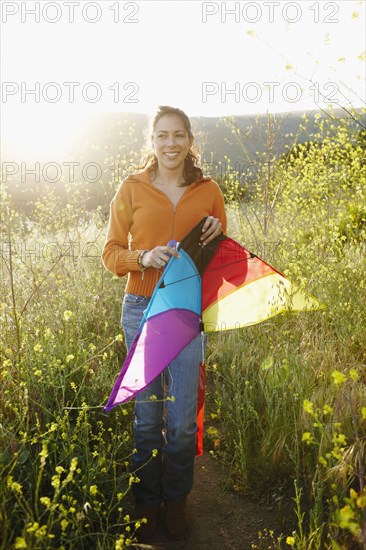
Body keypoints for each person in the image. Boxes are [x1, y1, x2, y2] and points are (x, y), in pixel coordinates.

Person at [101, 105, 227, 541]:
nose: (170, 143)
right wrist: (143, 258)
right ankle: (145, 501)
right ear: (151, 141)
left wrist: (215, 231)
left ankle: (176, 499)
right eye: (162, 136)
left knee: (181, 422)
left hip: (186, 312)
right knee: (147, 415)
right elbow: (110, 252)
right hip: (140, 307)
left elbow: (220, 255)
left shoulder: (208, 190)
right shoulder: (131, 188)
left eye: (179, 135)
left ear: (190, 140)